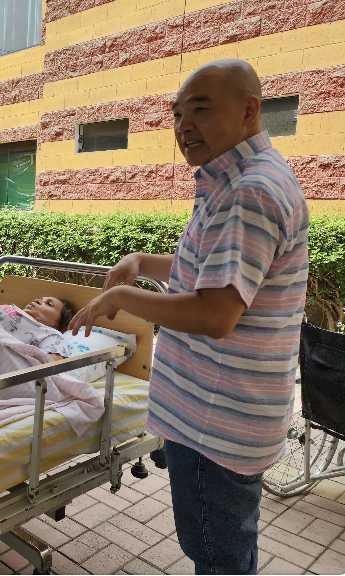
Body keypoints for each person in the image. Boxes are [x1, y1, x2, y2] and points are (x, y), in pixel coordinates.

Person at [67, 59, 309, 575]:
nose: (183, 126)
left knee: (219, 558)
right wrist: (142, 263)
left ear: (249, 110)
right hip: (226, 418)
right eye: (177, 114)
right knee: (229, 550)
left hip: (214, 425)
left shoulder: (248, 192)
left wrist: (122, 297)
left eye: (200, 110)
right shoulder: (239, 180)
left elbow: (215, 312)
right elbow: (214, 271)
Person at [0, 296, 74, 360]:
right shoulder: (11, 310)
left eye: (49, 304)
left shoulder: (52, 334)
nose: (37, 300)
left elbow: (51, 367)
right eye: (40, 298)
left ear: (61, 327)